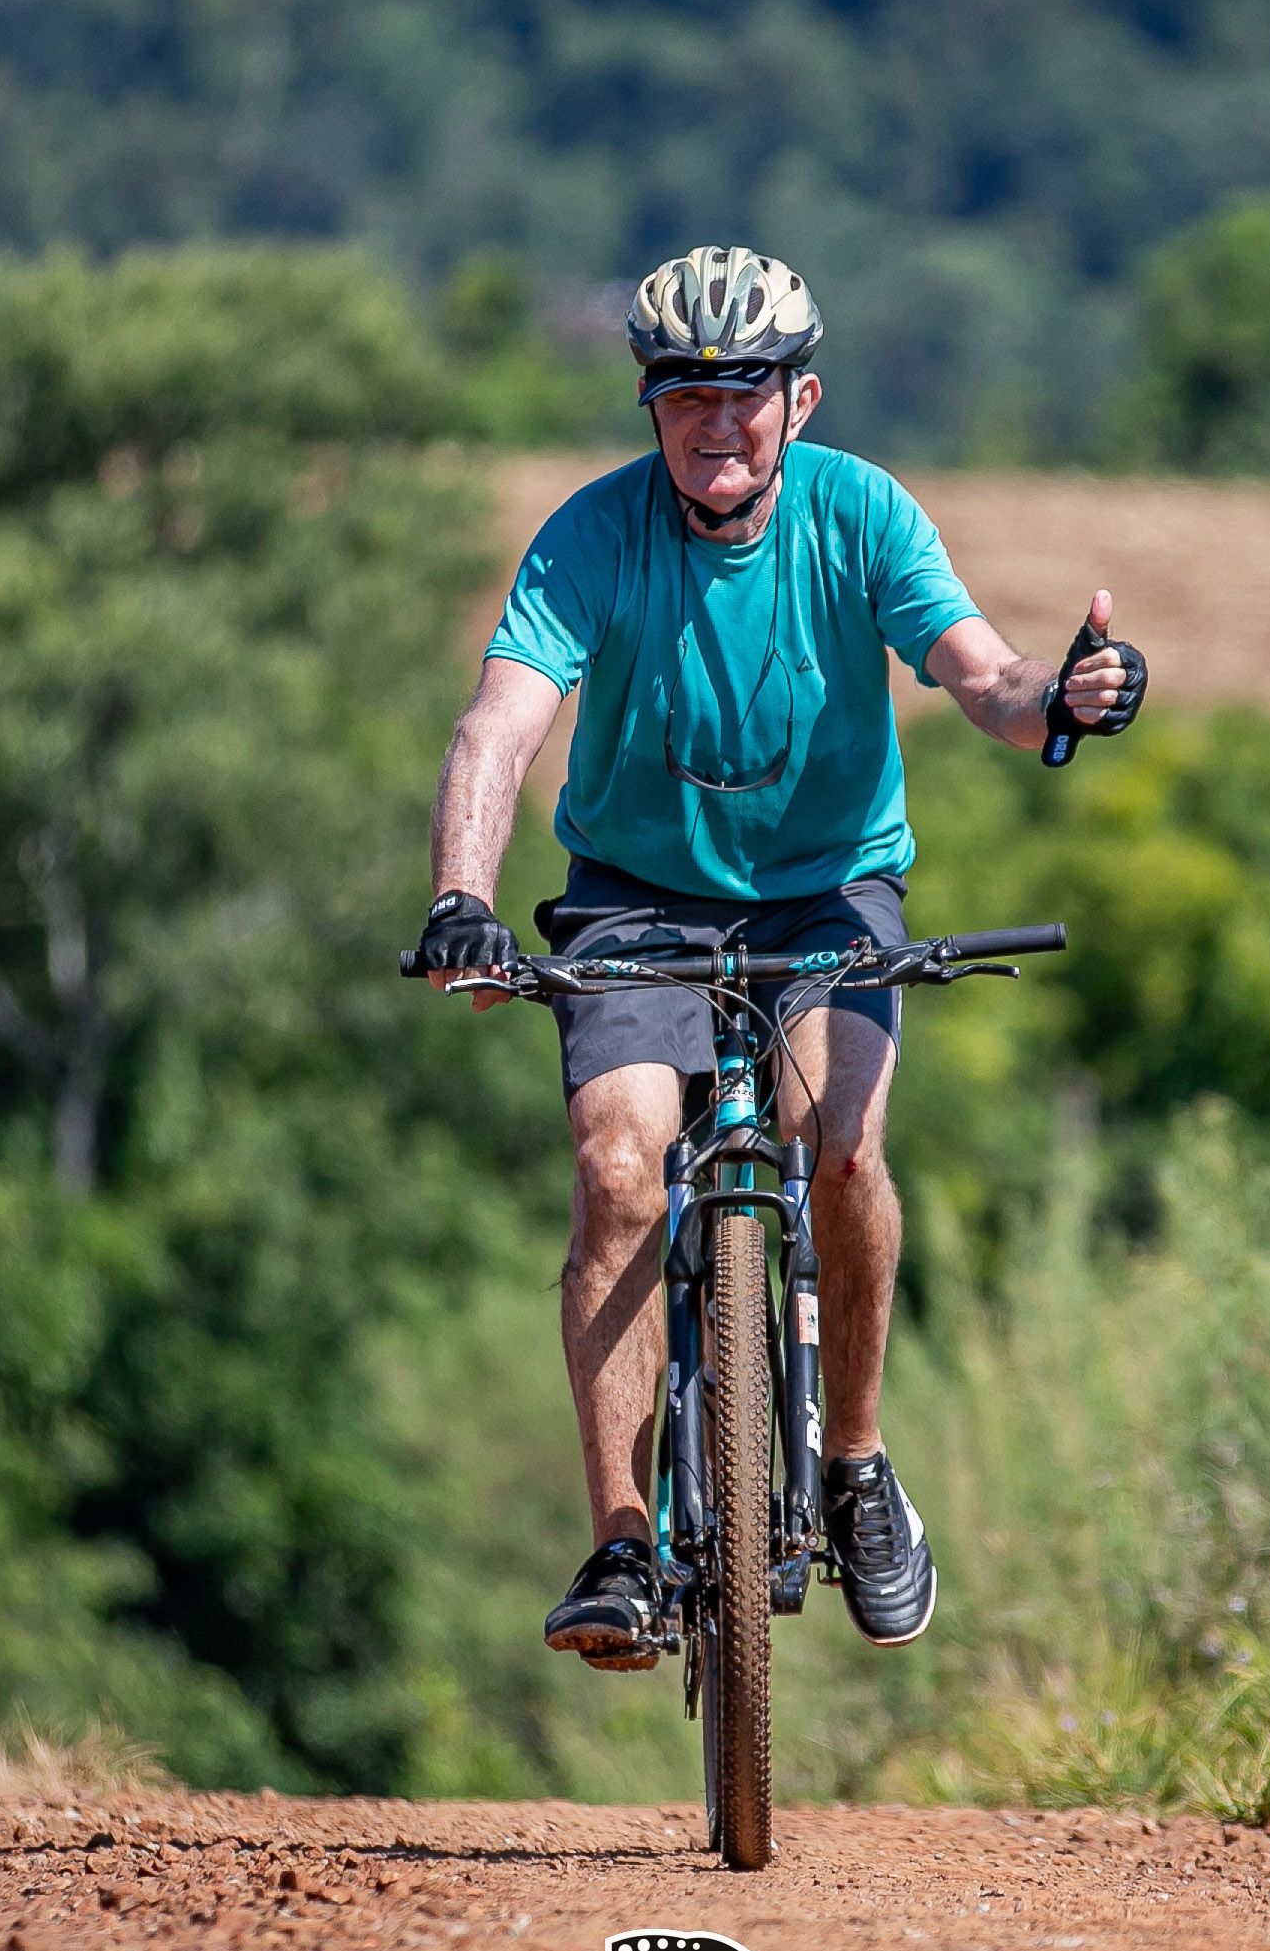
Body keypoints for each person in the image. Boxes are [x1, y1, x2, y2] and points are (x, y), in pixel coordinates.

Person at [406, 246, 1145, 1667]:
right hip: (634, 901)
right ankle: (622, 1543)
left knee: (843, 1148)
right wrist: (461, 896)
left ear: (798, 400)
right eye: (683, 395)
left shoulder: (861, 515)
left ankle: (855, 1463)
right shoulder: (590, 536)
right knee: (618, 1168)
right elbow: (500, 723)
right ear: (650, 406)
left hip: (826, 898)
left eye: (742, 392)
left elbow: (981, 676)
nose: (714, 422)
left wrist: (1060, 699)